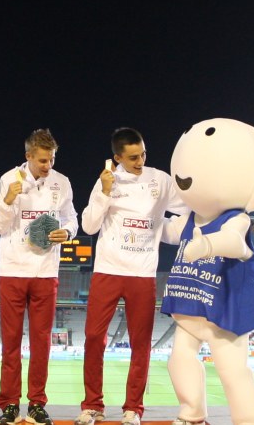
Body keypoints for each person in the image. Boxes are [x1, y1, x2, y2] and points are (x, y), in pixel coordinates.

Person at [75, 127, 189, 425]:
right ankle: (92, 406)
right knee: (92, 338)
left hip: (142, 272)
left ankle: (133, 409)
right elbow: (88, 226)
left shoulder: (160, 180)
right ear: (117, 157)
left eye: (143, 154)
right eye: (133, 157)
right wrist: (103, 192)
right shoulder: (107, 181)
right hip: (108, 269)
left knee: (141, 343)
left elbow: (188, 206)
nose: (140, 161)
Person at [0, 129, 78, 425]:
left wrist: (66, 233)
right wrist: (7, 201)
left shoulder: (62, 182)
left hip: (45, 272)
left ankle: (37, 404)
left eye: (51, 159)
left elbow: (71, 218)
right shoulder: (8, 179)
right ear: (28, 156)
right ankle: (9, 404)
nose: (48, 165)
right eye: (42, 160)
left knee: (41, 343)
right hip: (13, 270)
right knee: (11, 342)